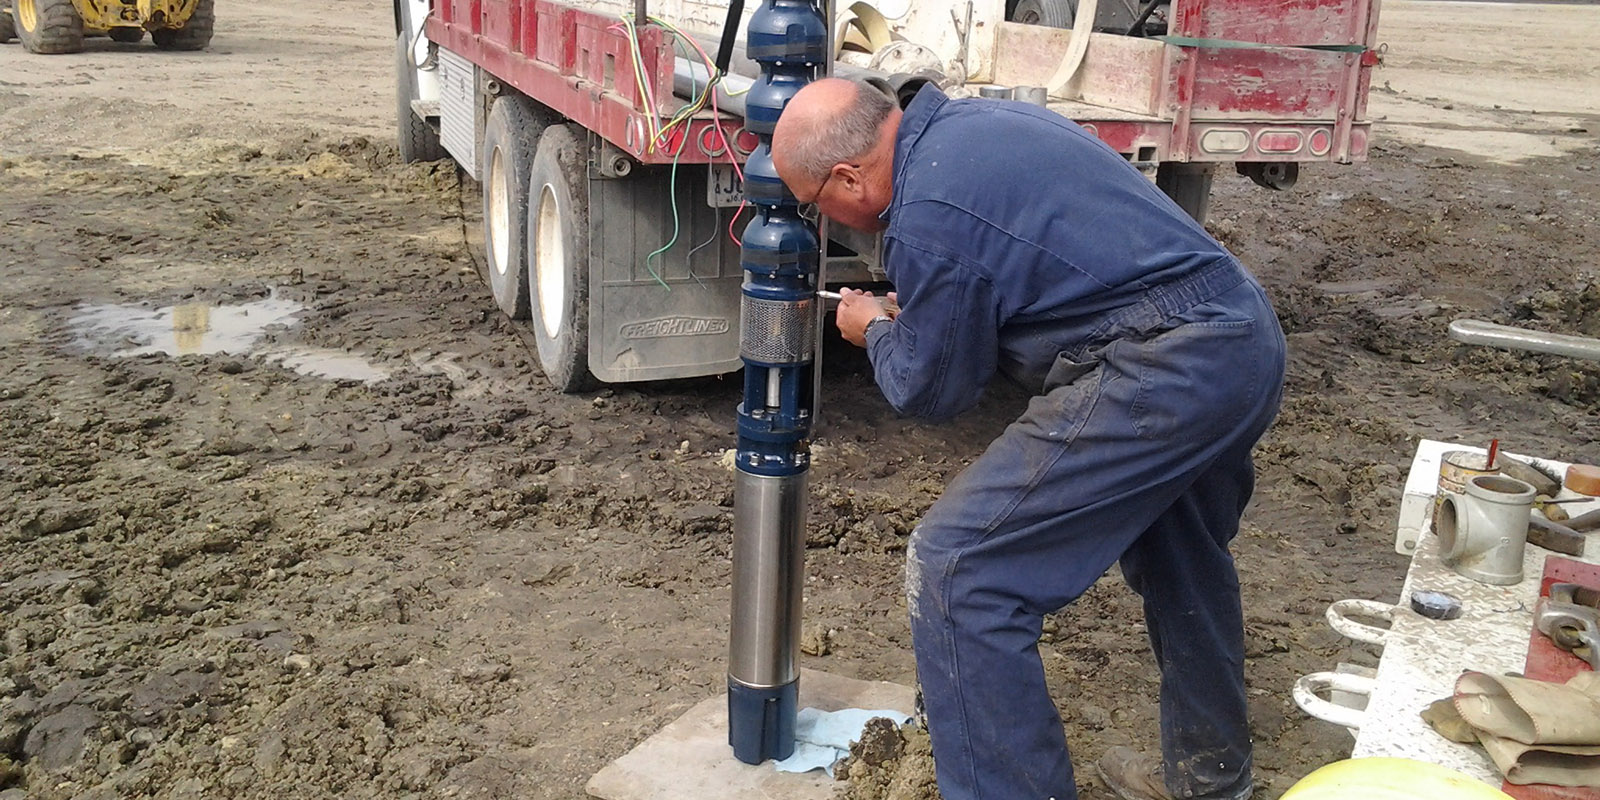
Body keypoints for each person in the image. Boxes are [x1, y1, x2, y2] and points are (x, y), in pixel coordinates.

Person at [771, 78, 1286, 800]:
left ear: (849, 175)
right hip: (1239, 339)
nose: (818, 218)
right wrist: (920, 311)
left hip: (1166, 366)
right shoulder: (977, 125)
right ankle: (1213, 781)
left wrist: (876, 329)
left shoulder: (926, 215)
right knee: (1183, 557)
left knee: (960, 571)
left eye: (812, 200)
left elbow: (933, 389)